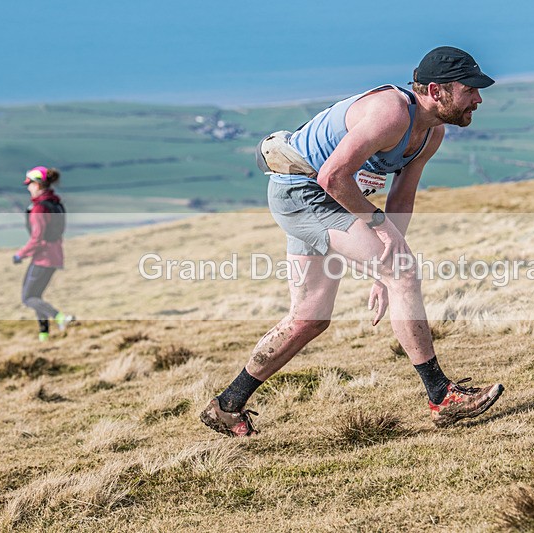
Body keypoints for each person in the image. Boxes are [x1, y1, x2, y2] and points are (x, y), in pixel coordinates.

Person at [200, 46, 504, 436]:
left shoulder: (431, 133)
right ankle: (441, 396)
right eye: (470, 90)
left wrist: (382, 266)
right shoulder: (391, 113)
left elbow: (400, 201)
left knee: (309, 318)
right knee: (403, 273)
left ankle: (226, 405)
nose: (478, 99)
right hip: (302, 193)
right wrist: (385, 245)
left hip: (328, 195)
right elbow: (331, 178)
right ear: (436, 90)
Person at [14, 166, 74, 341]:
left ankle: (60, 318)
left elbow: (37, 238)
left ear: (38, 185)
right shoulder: (55, 204)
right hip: (56, 256)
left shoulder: (39, 208)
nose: (28, 188)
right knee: (36, 297)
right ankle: (44, 336)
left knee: (28, 298)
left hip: (43, 259)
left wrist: (20, 255)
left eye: (30, 184)